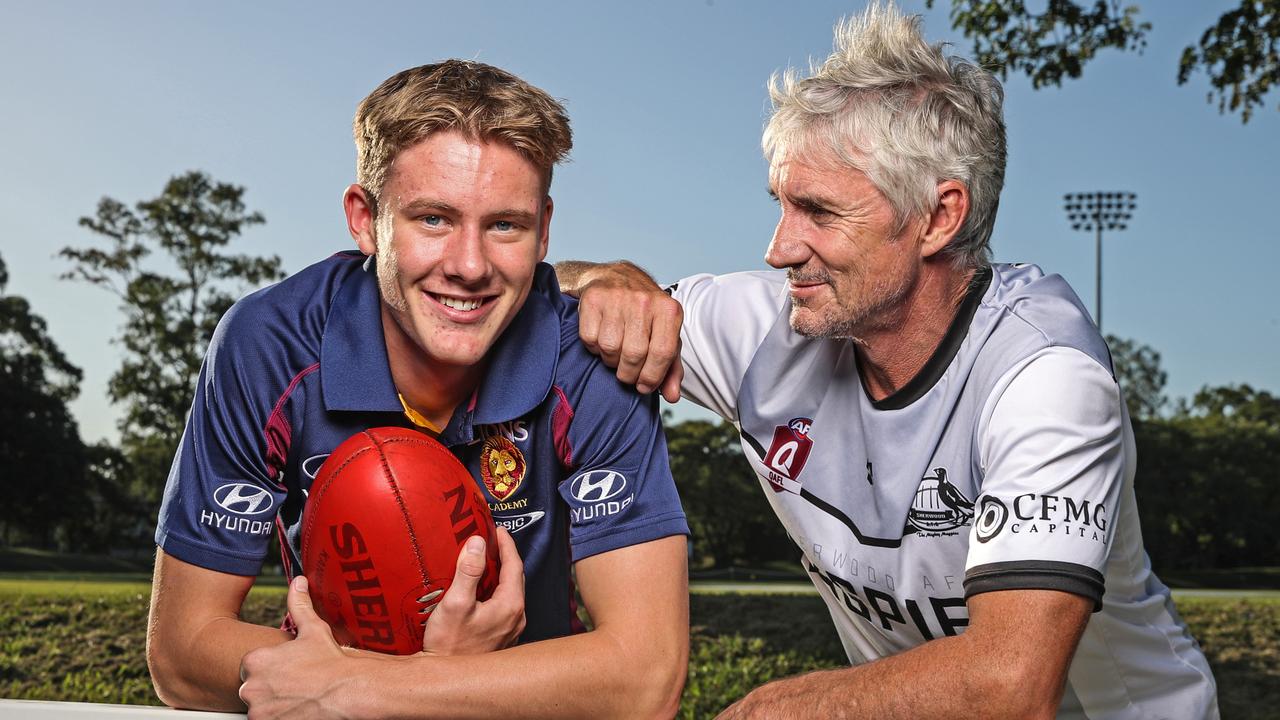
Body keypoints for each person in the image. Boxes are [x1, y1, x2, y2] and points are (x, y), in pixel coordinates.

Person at [558, 5, 1218, 718]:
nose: (778, 247)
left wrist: (773, 710)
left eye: (819, 212)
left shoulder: (1046, 374)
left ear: (938, 217)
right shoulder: (771, 327)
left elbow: (1010, 683)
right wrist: (603, 277)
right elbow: (516, 298)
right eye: (781, 205)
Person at [147, 60, 690, 719]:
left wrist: (365, 688)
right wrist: (419, 681)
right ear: (363, 219)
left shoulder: (592, 355)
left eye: (504, 226)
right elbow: (180, 652)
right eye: (433, 219)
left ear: (544, 230)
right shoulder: (270, 343)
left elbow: (645, 679)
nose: (469, 266)